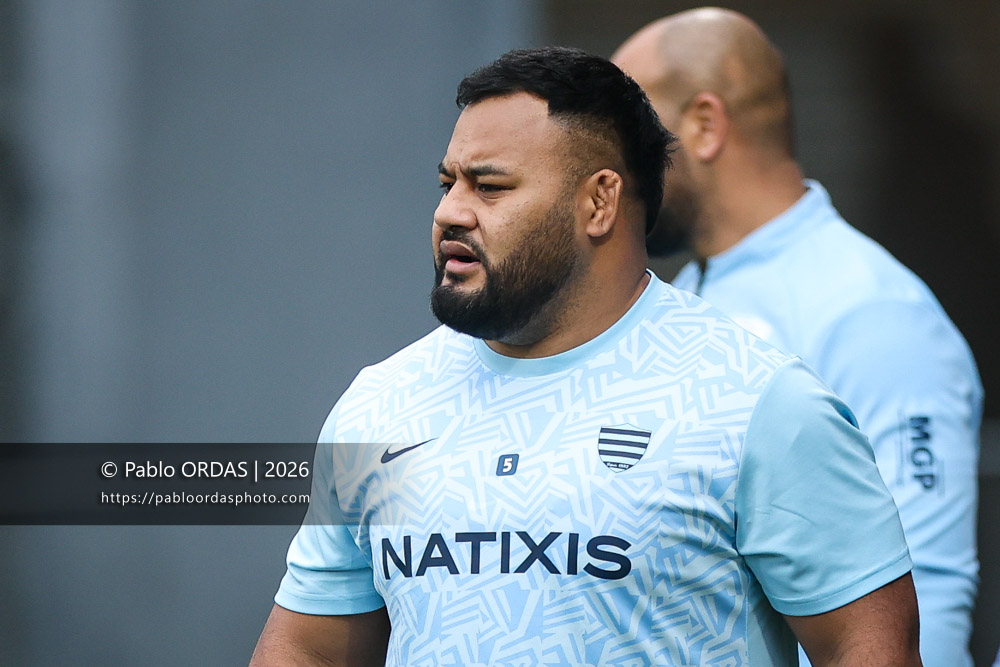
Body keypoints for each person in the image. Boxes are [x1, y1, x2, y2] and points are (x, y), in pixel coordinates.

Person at [250, 47, 921, 666]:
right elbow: (307, 649)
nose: (451, 212)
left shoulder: (758, 402)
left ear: (599, 201)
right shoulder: (381, 404)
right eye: (446, 183)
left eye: (490, 186)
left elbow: (867, 647)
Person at [612, 9, 982, 667]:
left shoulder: (874, 312)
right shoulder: (678, 297)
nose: (611, 170)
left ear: (702, 125)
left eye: (627, 135)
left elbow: (925, 605)